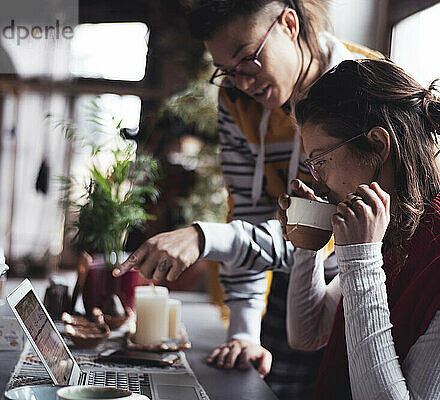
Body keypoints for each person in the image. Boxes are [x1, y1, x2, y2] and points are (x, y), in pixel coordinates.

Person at [113, 1, 382, 398]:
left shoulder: (359, 85)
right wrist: (244, 330)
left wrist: (205, 238)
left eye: (248, 59)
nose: (241, 82)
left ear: (289, 24)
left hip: (360, 278)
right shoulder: (236, 100)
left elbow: (315, 235)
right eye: (227, 70)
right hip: (283, 266)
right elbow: (250, 209)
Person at [273, 58, 440, 398]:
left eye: (320, 161)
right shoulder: (395, 235)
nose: (318, 183)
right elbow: (307, 334)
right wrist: (307, 243)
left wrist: (361, 260)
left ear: (378, 145)